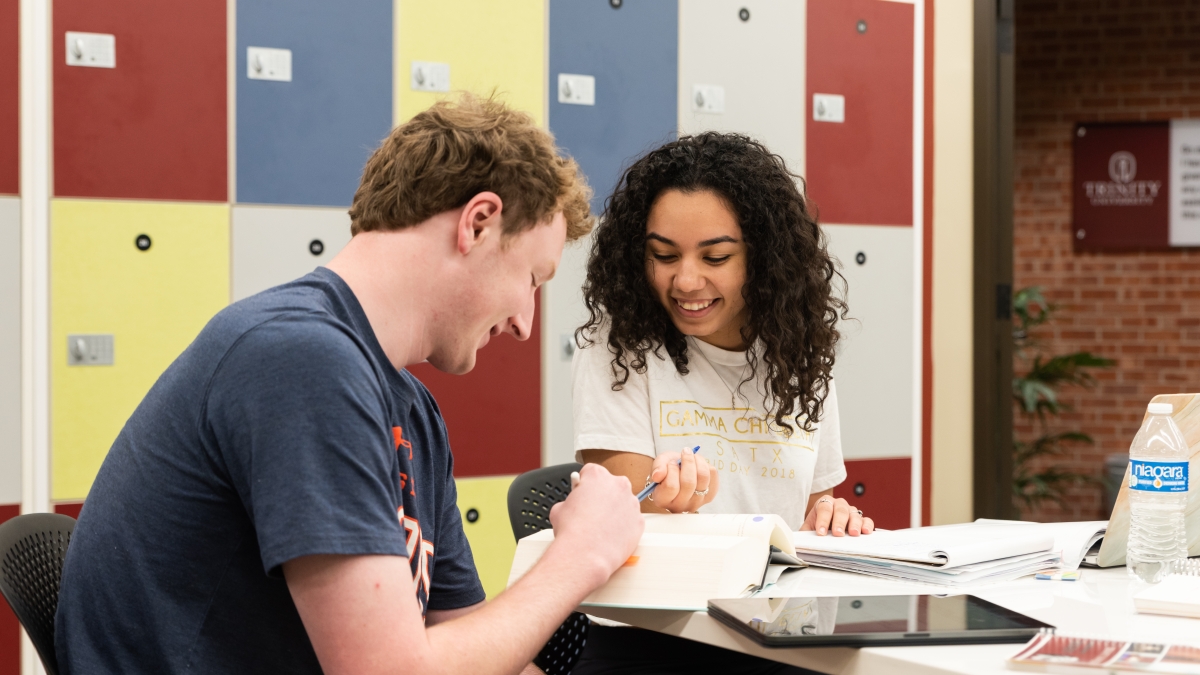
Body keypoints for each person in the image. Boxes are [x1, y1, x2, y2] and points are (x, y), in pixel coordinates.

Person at [55, 95, 693, 675]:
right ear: (478, 223)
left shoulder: (405, 405)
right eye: (531, 277)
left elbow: (463, 641)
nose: (527, 324)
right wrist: (579, 557)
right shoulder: (298, 360)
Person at [569, 132, 875, 675]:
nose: (685, 280)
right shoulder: (621, 349)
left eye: (715, 256)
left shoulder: (800, 354)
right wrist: (666, 500)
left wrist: (833, 519)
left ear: (764, 258)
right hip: (652, 637)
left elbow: (810, 519)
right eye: (663, 256)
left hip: (770, 626)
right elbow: (619, 521)